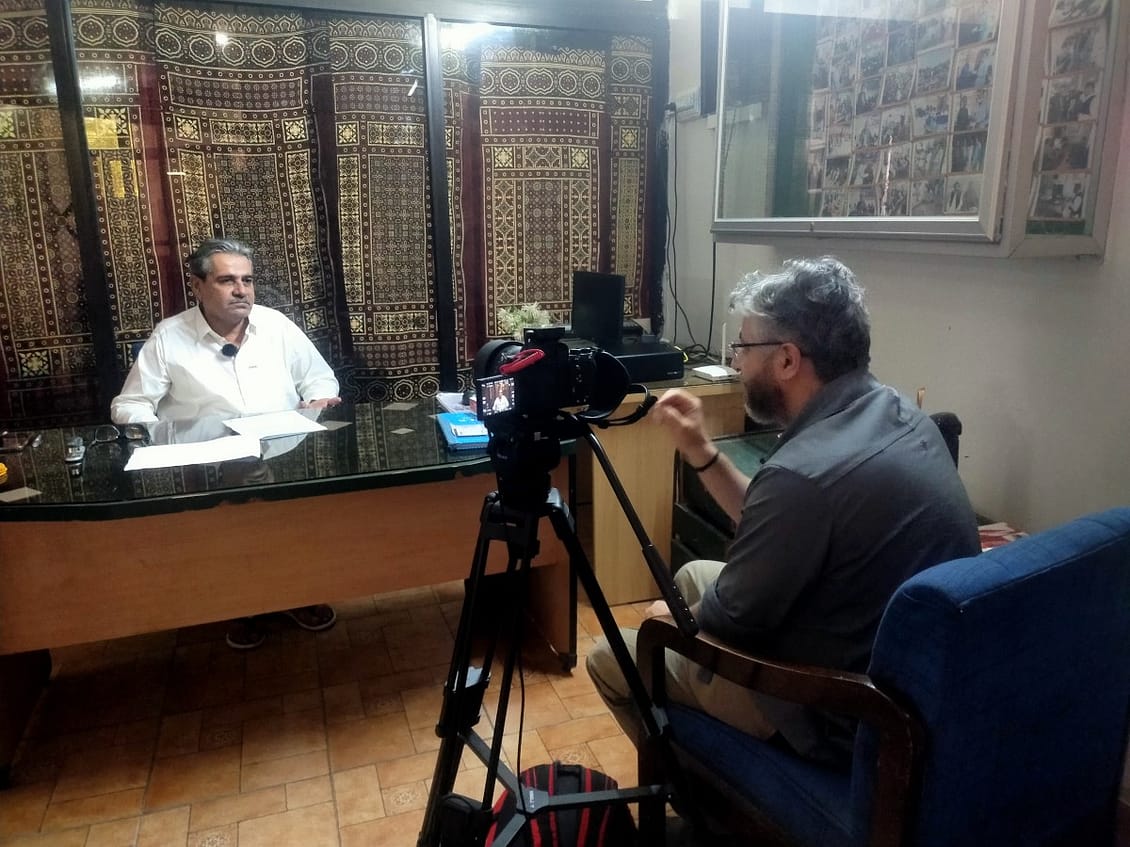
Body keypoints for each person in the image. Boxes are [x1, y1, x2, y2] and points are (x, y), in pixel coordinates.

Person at [586, 256, 979, 772]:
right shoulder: (898, 412)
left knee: (611, 656)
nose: (735, 363)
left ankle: (694, 784)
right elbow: (773, 518)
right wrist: (700, 448)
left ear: (788, 360)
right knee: (691, 573)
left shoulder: (802, 475)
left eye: (744, 347)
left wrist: (667, 623)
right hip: (899, 678)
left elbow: (728, 621)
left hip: (833, 713)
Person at [112, 237, 343, 650]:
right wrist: (160, 439)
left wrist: (318, 401)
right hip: (206, 465)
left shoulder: (275, 325)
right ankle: (242, 607)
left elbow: (320, 378)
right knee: (228, 543)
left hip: (282, 454)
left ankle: (296, 596)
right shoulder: (169, 337)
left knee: (294, 532)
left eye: (247, 280)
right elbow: (129, 404)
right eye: (227, 281)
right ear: (197, 286)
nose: (241, 290)